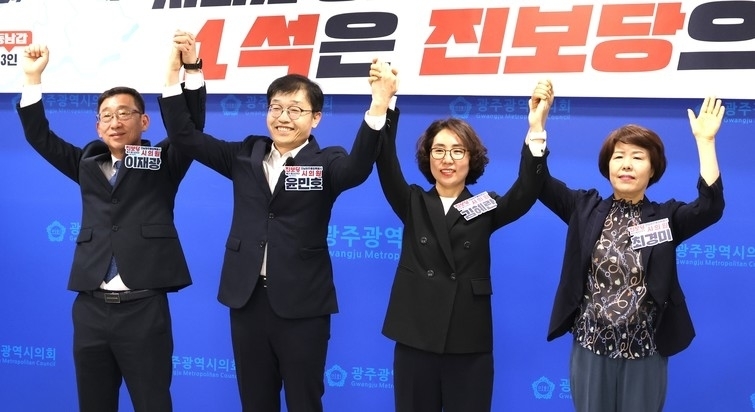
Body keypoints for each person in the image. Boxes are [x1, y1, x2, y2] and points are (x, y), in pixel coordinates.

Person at [158, 57, 398, 411]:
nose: (283, 117)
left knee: (304, 401)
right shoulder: (245, 154)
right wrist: (179, 72)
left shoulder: (326, 161)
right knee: (255, 401)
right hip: (247, 300)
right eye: (276, 108)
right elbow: (184, 137)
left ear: (316, 118)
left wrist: (379, 102)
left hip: (303, 305)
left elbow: (358, 168)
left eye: (295, 110)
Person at [17, 36, 206, 412]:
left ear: (144, 121)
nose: (115, 122)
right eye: (106, 115)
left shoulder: (161, 161)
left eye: (124, 113)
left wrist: (190, 70)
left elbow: (190, 130)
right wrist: (32, 78)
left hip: (143, 307)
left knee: (152, 402)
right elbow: (40, 137)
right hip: (90, 307)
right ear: (98, 126)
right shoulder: (85, 164)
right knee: (94, 403)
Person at [537, 85, 725, 411]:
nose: (626, 164)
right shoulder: (583, 208)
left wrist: (705, 143)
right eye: (619, 156)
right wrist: (537, 126)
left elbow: (710, 208)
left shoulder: (665, 217)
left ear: (652, 170)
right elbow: (537, 182)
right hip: (591, 348)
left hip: (646, 352)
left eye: (638, 157)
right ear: (607, 166)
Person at [375, 78, 552, 412]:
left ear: (471, 159)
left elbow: (527, 190)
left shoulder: (484, 205)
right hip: (415, 336)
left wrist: (536, 128)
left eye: (458, 151)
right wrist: (385, 104)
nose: (448, 160)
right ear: (428, 158)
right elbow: (385, 162)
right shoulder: (412, 202)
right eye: (439, 151)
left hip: (468, 339)